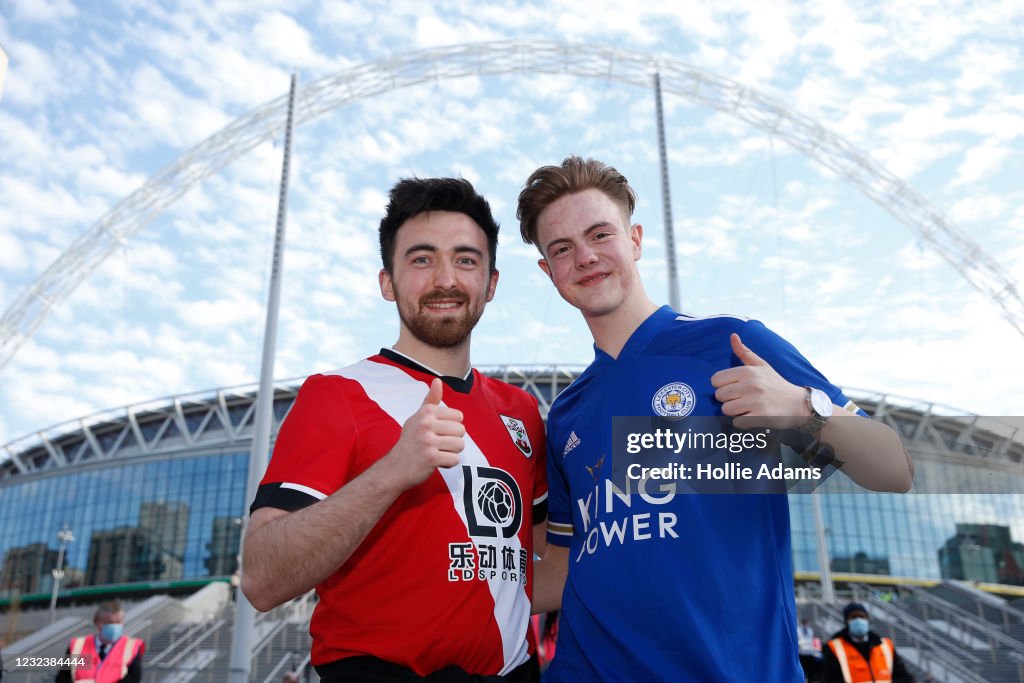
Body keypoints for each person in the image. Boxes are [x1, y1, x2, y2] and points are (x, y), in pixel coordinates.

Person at [517, 156, 914, 682]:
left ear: (635, 239)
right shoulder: (567, 414)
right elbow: (565, 568)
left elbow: (894, 469)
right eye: (562, 248)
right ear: (548, 271)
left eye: (599, 234)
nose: (585, 257)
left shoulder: (730, 342)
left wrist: (802, 408)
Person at [242, 177, 548, 682]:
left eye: (466, 260)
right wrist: (392, 472)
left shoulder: (522, 412)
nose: (445, 279)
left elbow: (542, 572)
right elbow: (261, 578)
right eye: (422, 259)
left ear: (491, 284)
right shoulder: (337, 394)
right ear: (388, 282)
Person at [822, 602, 914, 682]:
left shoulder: (885, 645)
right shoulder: (833, 648)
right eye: (853, 617)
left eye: (861, 616)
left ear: (867, 619)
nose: (858, 620)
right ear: (846, 621)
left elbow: (902, 676)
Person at [55, 601, 143, 682]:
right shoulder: (79, 646)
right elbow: (63, 677)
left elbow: (133, 678)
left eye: (118, 622)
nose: (114, 626)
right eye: (109, 622)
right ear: (97, 623)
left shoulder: (131, 646)